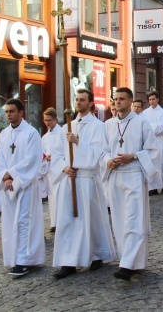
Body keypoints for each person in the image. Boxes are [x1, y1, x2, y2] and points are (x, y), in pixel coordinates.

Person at [50, 89, 117, 280]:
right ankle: (68, 262)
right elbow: (57, 154)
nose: (78, 103)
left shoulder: (97, 126)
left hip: (87, 179)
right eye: (76, 100)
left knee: (90, 221)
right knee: (67, 223)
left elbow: (99, 153)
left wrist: (78, 141)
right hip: (69, 180)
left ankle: (96, 254)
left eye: (82, 100)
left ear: (90, 103)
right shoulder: (65, 128)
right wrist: (64, 168)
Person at [101, 87, 160, 281]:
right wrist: (108, 160)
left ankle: (126, 265)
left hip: (134, 175)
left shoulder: (141, 122)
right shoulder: (108, 125)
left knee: (134, 221)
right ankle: (132, 262)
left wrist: (133, 156)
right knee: (119, 221)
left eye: (121, 99)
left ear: (130, 100)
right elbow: (102, 151)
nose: (117, 102)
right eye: (115, 99)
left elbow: (153, 150)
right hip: (115, 176)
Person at [0, 98, 44, 278]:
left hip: (25, 185)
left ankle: (24, 261)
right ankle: (13, 258)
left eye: (12, 111)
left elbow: (32, 160)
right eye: (6, 112)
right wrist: (4, 177)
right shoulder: (4, 134)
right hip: (8, 187)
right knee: (9, 223)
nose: (8, 114)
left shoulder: (31, 133)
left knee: (24, 222)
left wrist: (11, 175)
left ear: (21, 112)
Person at [142, 91, 163, 195]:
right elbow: (144, 126)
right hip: (149, 141)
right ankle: (152, 187)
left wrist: (151, 128)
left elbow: (162, 127)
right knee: (151, 163)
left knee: (161, 163)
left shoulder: (162, 112)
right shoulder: (145, 112)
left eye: (153, 99)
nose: (151, 101)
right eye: (150, 99)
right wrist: (153, 127)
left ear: (158, 99)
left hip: (158, 140)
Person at [37, 107, 59, 233]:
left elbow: (64, 151)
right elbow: (42, 152)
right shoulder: (44, 137)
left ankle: (60, 221)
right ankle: (53, 221)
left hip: (59, 169)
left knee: (59, 196)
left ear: (55, 119)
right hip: (49, 170)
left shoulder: (61, 132)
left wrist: (53, 156)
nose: (47, 123)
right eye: (45, 120)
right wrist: (45, 156)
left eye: (50, 120)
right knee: (51, 196)